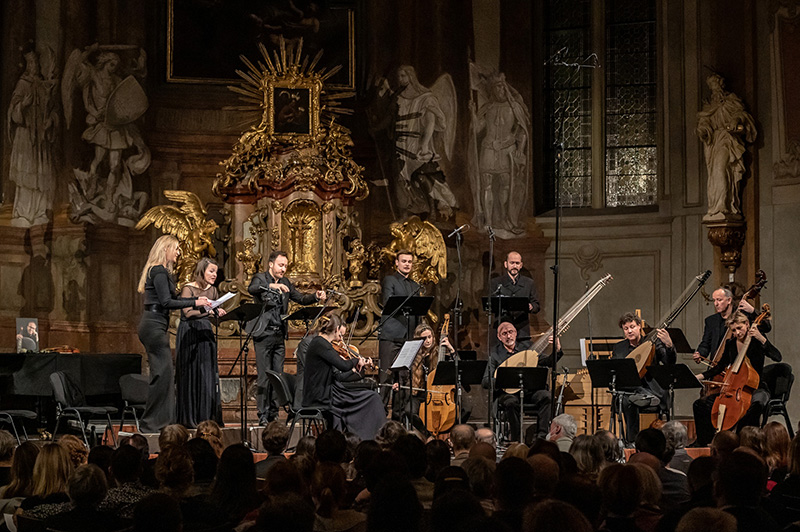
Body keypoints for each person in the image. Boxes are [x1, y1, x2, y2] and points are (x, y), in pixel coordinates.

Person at [137, 235, 210, 434]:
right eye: (176, 248)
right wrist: (195, 301)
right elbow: (167, 302)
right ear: (165, 248)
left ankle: (159, 422)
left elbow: (174, 299)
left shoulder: (160, 272)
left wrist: (199, 302)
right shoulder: (159, 271)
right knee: (163, 374)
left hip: (156, 323)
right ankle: (154, 424)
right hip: (153, 325)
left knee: (163, 374)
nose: (179, 252)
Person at [248, 250, 325, 424]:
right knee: (263, 376)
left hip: (278, 335)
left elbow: (301, 299)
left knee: (277, 376)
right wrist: (272, 286)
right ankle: (262, 415)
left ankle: (274, 414)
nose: (283, 269)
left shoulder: (286, 282)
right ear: (271, 264)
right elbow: (251, 289)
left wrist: (315, 296)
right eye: (280, 265)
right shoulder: (260, 278)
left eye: (285, 266)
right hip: (263, 334)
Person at [692, 311, 781, 446]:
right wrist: (699, 376)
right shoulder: (731, 344)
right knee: (700, 405)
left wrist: (761, 338)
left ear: (747, 324)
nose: (737, 333)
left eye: (739, 328)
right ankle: (705, 442)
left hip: (756, 387)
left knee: (756, 405)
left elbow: (777, 357)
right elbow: (719, 367)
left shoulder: (757, 341)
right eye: (733, 330)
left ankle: (746, 442)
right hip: (734, 388)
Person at [304, 314, 386, 440]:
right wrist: (357, 361)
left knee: (372, 397)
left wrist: (359, 369)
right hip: (321, 395)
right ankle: (369, 438)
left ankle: (365, 438)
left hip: (328, 392)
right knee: (373, 398)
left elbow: (339, 376)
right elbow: (342, 365)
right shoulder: (321, 344)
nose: (340, 339)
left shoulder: (321, 344)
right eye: (340, 335)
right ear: (336, 329)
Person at [481, 321, 562, 443]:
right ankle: (516, 439)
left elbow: (549, 362)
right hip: (508, 394)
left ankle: (541, 437)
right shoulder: (495, 355)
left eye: (510, 332)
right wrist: (502, 380)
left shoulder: (527, 349)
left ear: (516, 333)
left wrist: (557, 348)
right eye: (504, 334)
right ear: (499, 337)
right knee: (511, 402)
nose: (508, 336)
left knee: (547, 397)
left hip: (529, 391)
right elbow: (485, 381)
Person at [175, 257, 226, 428]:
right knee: (190, 374)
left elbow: (212, 310)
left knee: (206, 375)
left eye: (216, 272)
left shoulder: (212, 290)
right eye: (211, 271)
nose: (214, 275)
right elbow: (188, 313)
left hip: (205, 333)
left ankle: (206, 418)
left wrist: (218, 312)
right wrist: (209, 310)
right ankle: (189, 418)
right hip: (189, 333)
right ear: (201, 271)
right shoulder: (188, 289)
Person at [611, 312, 676, 442]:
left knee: (629, 400)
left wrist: (669, 345)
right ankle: (631, 441)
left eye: (632, 327)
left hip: (652, 389)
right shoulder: (619, 348)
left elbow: (669, 362)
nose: (629, 331)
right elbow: (616, 371)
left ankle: (632, 441)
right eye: (626, 328)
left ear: (639, 326)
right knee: (627, 400)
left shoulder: (653, 343)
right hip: (629, 391)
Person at [378, 250, 420, 408]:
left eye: (410, 262)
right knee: (386, 378)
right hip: (391, 336)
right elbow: (389, 302)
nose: (407, 264)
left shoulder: (415, 286)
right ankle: (380, 418)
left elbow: (418, 314)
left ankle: (399, 419)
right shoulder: (390, 280)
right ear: (396, 263)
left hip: (408, 337)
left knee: (403, 379)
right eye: (404, 261)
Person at [488, 251, 540, 343]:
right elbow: (490, 305)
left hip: (522, 331)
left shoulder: (529, 283)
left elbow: (536, 305)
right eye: (512, 263)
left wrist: (530, 306)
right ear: (505, 264)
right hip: (502, 331)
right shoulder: (496, 283)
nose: (515, 266)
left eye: (517, 263)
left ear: (521, 265)